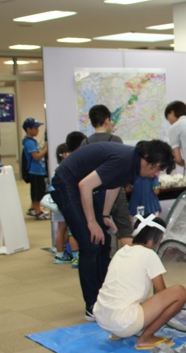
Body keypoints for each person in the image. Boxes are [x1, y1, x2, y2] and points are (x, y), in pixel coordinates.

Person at [50, 140, 175, 321]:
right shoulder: (124, 160)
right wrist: (92, 222)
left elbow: (112, 185)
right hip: (66, 183)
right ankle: (92, 306)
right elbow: (85, 185)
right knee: (90, 243)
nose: (156, 174)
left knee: (103, 241)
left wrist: (105, 215)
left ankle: (104, 301)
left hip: (81, 186)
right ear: (147, 158)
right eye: (157, 168)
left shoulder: (131, 165)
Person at [94, 214, 186, 349]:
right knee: (179, 292)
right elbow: (162, 293)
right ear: (152, 238)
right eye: (159, 239)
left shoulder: (121, 252)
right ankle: (146, 337)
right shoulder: (149, 254)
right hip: (122, 322)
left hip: (103, 318)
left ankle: (118, 332)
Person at [81, 105, 133, 247]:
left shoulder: (84, 143)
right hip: (115, 190)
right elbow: (121, 168)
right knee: (125, 229)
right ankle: (128, 263)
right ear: (107, 120)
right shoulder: (115, 140)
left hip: (94, 192)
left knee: (97, 226)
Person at [51, 143, 79, 266]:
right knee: (66, 229)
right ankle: (63, 254)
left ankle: (60, 253)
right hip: (63, 202)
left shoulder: (59, 169)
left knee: (62, 229)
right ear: (64, 154)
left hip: (58, 202)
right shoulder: (65, 169)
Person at [22, 118, 49, 220]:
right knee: (38, 193)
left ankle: (33, 208)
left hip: (39, 171)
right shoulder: (29, 142)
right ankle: (38, 212)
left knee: (39, 191)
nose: (37, 130)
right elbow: (36, 156)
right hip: (35, 171)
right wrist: (46, 149)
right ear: (28, 129)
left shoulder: (32, 141)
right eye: (35, 128)